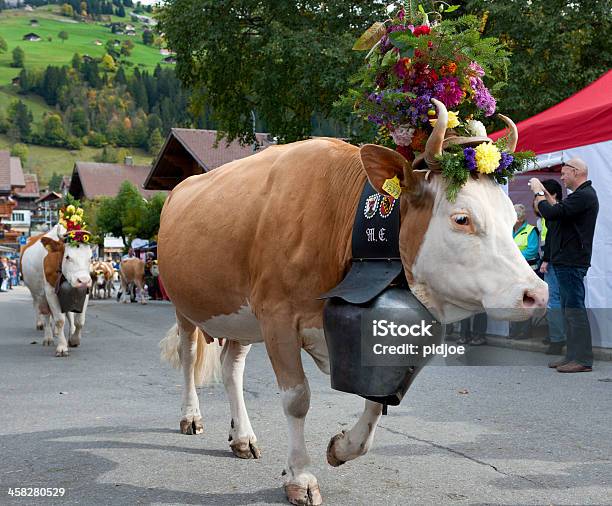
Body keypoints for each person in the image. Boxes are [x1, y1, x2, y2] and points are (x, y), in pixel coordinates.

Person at [530, 158, 599, 373]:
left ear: (576, 172)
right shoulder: (578, 197)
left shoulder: (585, 195)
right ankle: (572, 356)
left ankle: (583, 359)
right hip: (565, 260)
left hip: (572, 260)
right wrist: (547, 197)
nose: (561, 177)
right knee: (569, 311)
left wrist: (539, 193)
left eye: (564, 173)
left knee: (575, 311)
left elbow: (552, 213)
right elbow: (557, 213)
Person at [535, 179, 566, 355]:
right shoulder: (560, 211)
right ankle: (557, 335)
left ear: (552, 195)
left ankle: (557, 339)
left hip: (553, 261)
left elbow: (553, 238)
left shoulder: (554, 213)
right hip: (556, 260)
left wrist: (546, 260)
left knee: (554, 301)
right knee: (560, 300)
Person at [510, 204, 539, 339]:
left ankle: (525, 331)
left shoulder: (531, 230)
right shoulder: (509, 231)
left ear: (520, 219)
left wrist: (514, 255)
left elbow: (532, 251)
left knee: (526, 302)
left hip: (528, 272)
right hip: (513, 272)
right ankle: (514, 330)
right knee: (514, 301)